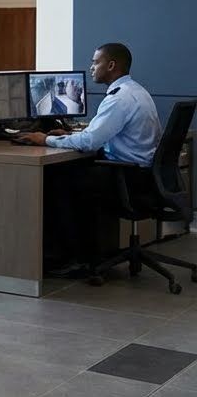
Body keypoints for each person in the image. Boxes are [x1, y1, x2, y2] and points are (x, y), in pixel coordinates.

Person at [15, 43, 161, 274]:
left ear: (111, 65)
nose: (91, 67)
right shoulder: (136, 91)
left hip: (127, 177)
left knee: (56, 181)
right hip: (140, 174)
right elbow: (98, 134)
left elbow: (89, 143)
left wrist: (45, 140)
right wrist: (72, 135)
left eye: (96, 62)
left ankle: (66, 259)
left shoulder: (119, 99)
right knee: (67, 174)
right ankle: (86, 253)